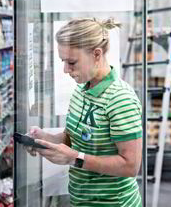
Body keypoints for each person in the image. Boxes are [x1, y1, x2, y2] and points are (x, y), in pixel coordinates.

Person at [27, 18, 143, 206]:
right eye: (63, 61)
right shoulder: (81, 91)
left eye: (72, 62)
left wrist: (76, 159)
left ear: (97, 54)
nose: (65, 70)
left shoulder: (121, 99)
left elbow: (130, 166)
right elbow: (74, 140)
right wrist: (45, 139)